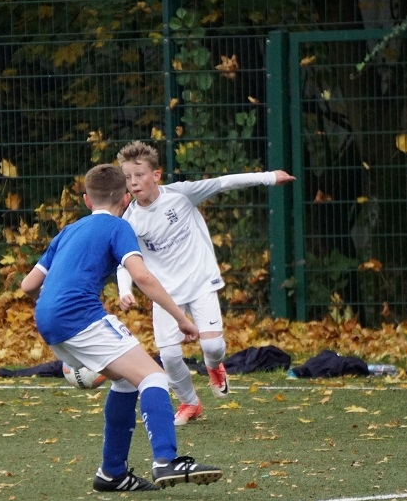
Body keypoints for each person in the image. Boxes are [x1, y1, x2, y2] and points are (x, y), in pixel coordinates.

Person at [21, 163, 223, 491]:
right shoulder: (119, 227)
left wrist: (55, 307)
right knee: (154, 377)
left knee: (128, 383)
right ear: (126, 198)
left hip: (46, 319)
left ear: (87, 200)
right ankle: (166, 460)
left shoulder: (68, 230)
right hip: (79, 316)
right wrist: (181, 319)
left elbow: (28, 285)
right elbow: (142, 276)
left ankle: (112, 473)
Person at [116, 141, 296, 425]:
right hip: (165, 294)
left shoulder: (181, 194)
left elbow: (224, 182)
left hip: (200, 282)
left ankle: (214, 367)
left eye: (139, 175)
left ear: (156, 175)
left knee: (212, 348)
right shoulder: (129, 220)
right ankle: (190, 403)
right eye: (127, 177)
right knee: (170, 357)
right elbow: (124, 260)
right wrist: (124, 290)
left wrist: (270, 177)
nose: (133, 182)